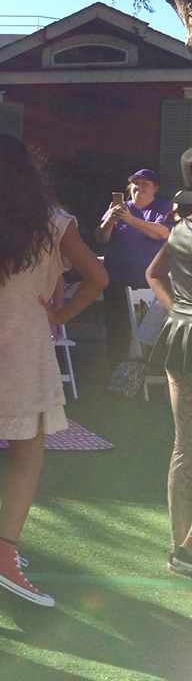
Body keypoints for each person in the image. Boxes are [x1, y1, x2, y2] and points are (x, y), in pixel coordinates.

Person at [0, 120, 107, 606]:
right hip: (25, 353)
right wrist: (59, 315)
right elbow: (97, 277)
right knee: (27, 451)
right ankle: (3, 551)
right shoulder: (55, 223)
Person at [147, 146, 192, 579]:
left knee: (184, 446)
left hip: (180, 339)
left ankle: (182, 546)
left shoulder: (179, 230)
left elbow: (153, 275)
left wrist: (178, 309)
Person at [95, 168, 171, 370]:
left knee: (148, 333)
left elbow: (162, 233)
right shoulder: (120, 207)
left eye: (144, 184)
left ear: (155, 188)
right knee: (117, 330)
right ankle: (117, 375)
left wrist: (130, 220)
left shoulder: (162, 207)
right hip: (117, 280)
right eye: (135, 183)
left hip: (148, 285)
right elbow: (100, 238)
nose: (139, 187)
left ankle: (147, 373)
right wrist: (110, 220)